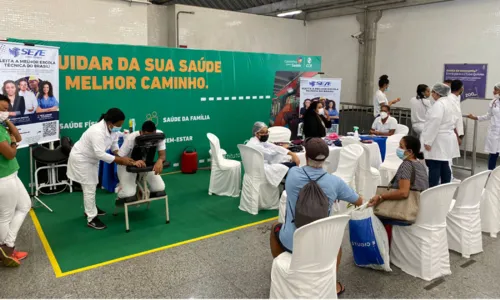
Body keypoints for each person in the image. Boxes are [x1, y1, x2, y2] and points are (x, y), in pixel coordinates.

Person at [270, 138, 363, 295]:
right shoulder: (335, 182)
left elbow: (297, 169)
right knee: (337, 246)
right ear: (326, 159)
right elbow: (359, 201)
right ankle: (332, 283)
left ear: (306, 156)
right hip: (322, 246)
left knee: (274, 228)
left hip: (292, 243)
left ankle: (288, 276)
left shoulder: (293, 174)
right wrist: (333, 195)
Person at [67, 108, 137, 230]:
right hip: (82, 159)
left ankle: (91, 208)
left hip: (92, 159)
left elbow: (114, 145)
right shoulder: (97, 131)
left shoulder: (111, 129)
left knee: (93, 185)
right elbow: (100, 153)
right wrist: (120, 160)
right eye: (118, 125)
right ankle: (91, 218)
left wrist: (121, 156)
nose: (119, 127)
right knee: (89, 187)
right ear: (110, 123)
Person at [368, 135, 429, 243]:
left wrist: (381, 196)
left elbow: (403, 193)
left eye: (401, 146)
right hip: (420, 206)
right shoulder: (420, 164)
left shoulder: (406, 165)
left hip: (406, 209)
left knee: (373, 213)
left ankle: (382, 246)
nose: (398, 149)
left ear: (410, 151)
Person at [0, 94, 30, 267]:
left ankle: (7, 246)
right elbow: (10, 153)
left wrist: (7, 121)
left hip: (12, 174)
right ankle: (7, 250)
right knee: (5, 216)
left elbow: (18, 138)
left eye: (6, 109)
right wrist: (13, 145)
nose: (6, 112)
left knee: (24, 205)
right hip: (3, 178)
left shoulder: (2, 125)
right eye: (3, 109)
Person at [116, 120, 166, 203]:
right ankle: (120, 188)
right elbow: (118, 159)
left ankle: (139, 185)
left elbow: (162, 155)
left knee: (159, 188)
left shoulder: (159, 135)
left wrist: (160, 160)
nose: (148, 139)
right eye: (146, 136)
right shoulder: (131, 138)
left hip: (145, 164)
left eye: (151, 135)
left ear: (155, 131)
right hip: (127, 165)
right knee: (129, 194)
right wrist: (133, 162)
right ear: (141, 132)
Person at [421, 83, 460, 187]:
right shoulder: (451, 103)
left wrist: (428, 141)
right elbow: (456, 119)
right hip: (447, 137)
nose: (432, 94)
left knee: (435, 165)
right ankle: (445, 188)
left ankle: (432, 189)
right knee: (444, 163)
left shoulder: (439, 104)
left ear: (437, 93)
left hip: (438, 138)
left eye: (433, 92)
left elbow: (435, 123)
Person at [247, 122, 300, 187]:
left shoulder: (257, 141)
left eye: (267, 132)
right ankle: (288, 188)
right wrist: (290, 153)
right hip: (262, 169)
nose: (266, 134)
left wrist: (290, 153)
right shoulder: (255, 144)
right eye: (262, 132)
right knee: (292, 166)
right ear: (256, 133)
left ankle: (288, 185)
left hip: (259, 165)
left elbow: (273, 146)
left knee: (287, 162)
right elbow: (270, 152)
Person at [467, 83, 500, 170]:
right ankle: (490, 173)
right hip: (494, 132)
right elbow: (488, 115)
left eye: (496, 90)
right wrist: (476, 117)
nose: (494, 91)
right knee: (493, 153)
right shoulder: (493, 102)